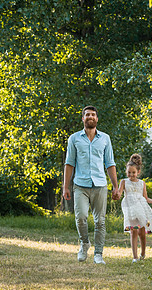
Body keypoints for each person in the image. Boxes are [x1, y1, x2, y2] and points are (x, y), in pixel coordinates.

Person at [62, 105, 120, 265]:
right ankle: (84, 243)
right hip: (80, 185)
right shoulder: (74, 139)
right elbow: (69, 163)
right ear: (83, 118)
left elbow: (110, 163)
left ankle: (98, 254)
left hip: (100, 185)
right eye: (87, 115)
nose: (90, 117)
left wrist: (115, 186)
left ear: (97, 119)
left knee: (100, 221)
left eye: (93, 115)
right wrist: (65, 187)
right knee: (81, 218)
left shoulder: (105, 139)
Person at [118, 154, 152, 263]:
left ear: (138, 172)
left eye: (133, 172)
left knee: (142, 232)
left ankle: (143, 253)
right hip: (130, 209)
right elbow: (119, 194)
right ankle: (135, 257)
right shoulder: (124, 182)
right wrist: (116, 194)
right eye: (129, 172)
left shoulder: (142, 183)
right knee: (133, 231)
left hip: (141, 208)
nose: (131, 175)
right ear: (126, 172)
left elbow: (146, 198)